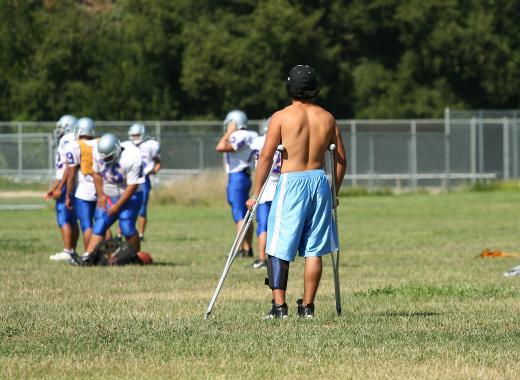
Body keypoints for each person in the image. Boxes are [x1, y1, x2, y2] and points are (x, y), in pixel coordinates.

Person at [246, 65, 347, 319]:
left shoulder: (281, 117)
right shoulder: (327, 118)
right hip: (319, 181)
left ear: (290, 88)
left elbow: (267, 156)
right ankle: (308, 307)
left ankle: (279, 307)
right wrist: (334, 191)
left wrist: (256, 194)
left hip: (292, 182)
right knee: (315, 248)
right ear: (315, 90)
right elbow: (341, 160)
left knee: (278, 244)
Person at [73, 133, 144, 264]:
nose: (105, 160)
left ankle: (135, 257)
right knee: (100, 224)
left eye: (109, 157)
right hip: (110, 192)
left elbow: (133, 186)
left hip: (131, 194)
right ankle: (87, 257)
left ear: (116, 150)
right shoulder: (98, 152)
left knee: (127, 226)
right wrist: (100, 195)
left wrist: (117, 206)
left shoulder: (133, 156)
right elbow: (96, 173)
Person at [216, 110, 258, 257]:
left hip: (238, 177)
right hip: (244, 176)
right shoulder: (251, 134)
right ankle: (248, 248)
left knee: (239, 214)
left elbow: (220, 147)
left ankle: (241, 249)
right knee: (245, 213)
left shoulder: (240, 135)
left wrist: (229, 132)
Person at [65, 117, 109, 250]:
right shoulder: (101, 142)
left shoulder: (74, 145)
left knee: (86, 225)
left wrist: (67, 195)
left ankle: (88, 255)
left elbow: (71, 174)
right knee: (103, 224)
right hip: (102, 189)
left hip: (84, 191)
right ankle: (110, 254)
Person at [46, 114, 79, 261]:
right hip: (74, 183)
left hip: (67, 182)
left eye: (60, 127)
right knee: (72, 219)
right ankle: (72, 251)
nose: (58, 130)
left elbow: (67, 167)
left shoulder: (67, 139)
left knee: (64, 218)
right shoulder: (76, 138)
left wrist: (58, 187)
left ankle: (67, 251)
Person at [249, 118, 281, 269]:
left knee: (263, 226)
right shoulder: (284, 142)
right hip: (281, 187)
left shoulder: (257, 142)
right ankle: (277, 258)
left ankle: (262, 257)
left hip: (265, 190)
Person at [126, 123, 161, 241]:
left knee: (142, 206)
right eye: (133, 135)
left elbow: (158, 162)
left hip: (143, 179)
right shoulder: (127, 146)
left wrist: (153, 171)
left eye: (137, 135)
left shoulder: (150, 145)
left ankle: (140, 234)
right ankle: (122, 233)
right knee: (125, 205)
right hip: (130, 178)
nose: (135, 138)